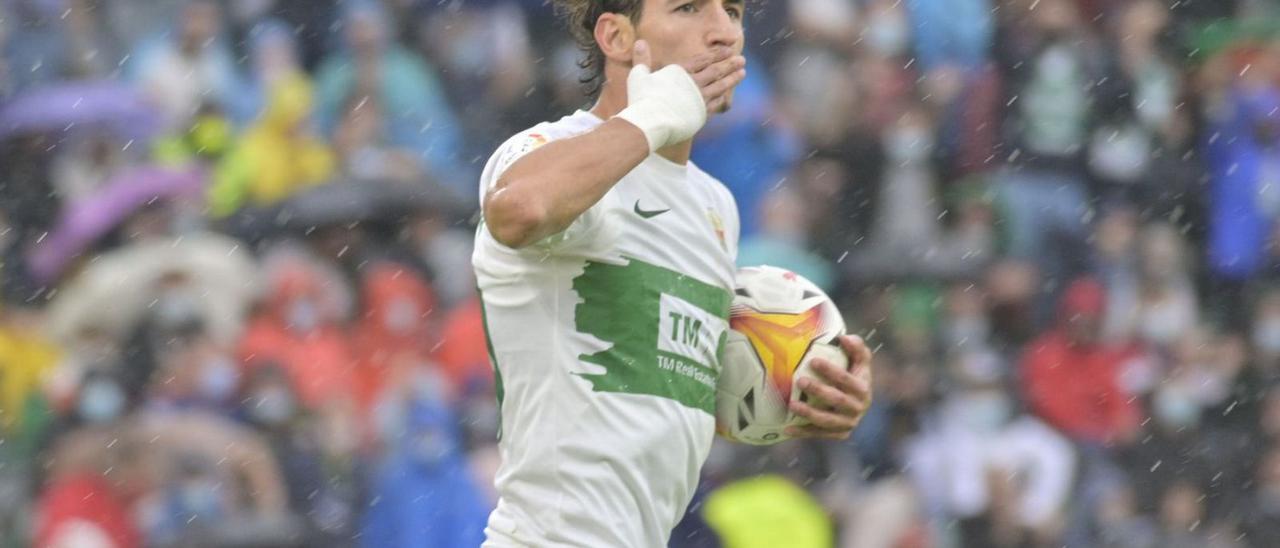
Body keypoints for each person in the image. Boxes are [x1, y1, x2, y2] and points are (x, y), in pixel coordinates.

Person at [472, 0, 875, 545]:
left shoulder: (715, 205)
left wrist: (802, 390)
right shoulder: (545, 151)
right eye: (688, 8)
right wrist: (654, 116)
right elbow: (517, 210)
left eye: (732, 12)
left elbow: (661, 392)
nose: (722, 33)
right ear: (615, 37)